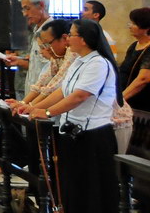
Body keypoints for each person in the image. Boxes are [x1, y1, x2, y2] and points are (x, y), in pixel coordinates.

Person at [24, 19, 122, 213]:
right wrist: (32, 107)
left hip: (93, 136)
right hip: (73, 133)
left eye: (72, 34)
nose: (68, 38)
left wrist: (47, 112)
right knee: (72, 187)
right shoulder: (78, 61)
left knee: (91, 190)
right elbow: (62, 91)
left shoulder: (98, 64)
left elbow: (79, 96)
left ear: (84, 40)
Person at [3, 0, 52, 100]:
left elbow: (50, 68)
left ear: (41, 5)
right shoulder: (37, 30)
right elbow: (36, 62)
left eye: (27, 8)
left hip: (43, 97)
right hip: (31, 93)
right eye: (23, 9)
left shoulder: (51, 32)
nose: (24, 14)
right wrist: (19, 60)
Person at [119, 6, 150, 111]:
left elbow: (143, 79)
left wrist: (119, 99)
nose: (130, 26)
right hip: (129, 103)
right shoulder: (134, 46)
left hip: (143, 105)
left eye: (134, 23)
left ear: (146, 28)